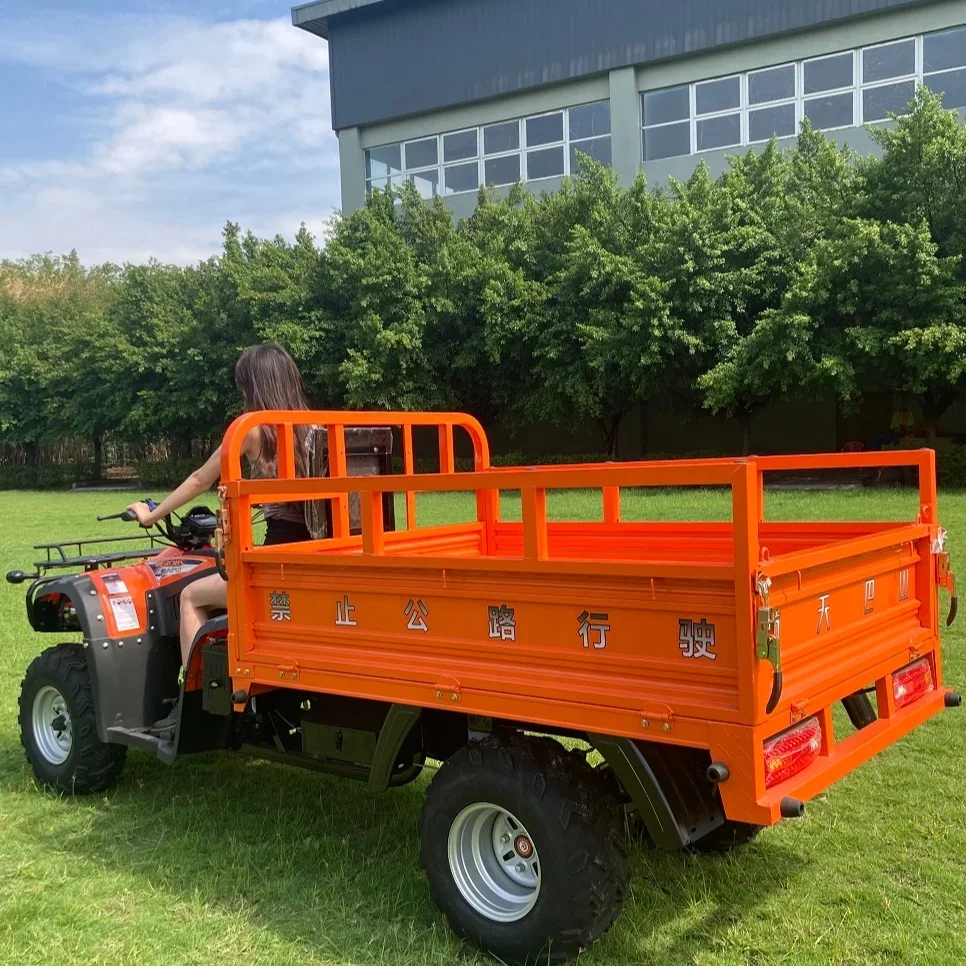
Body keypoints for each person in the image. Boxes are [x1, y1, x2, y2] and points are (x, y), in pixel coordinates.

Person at [127, 343, 313, 734]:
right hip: (313, 555)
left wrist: (151, 514)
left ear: (254, 387)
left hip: (275, 563)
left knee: (193, 595)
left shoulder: (252, 430)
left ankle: (198, 701)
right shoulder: (312, 427)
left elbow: (200, 478)